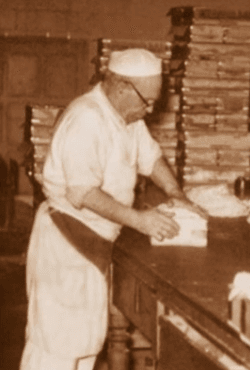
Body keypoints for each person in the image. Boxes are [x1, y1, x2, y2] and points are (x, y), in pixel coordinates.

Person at [21, 49, 205, 370]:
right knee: (55, 350)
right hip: (65, 244)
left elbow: (151, 158)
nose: (149, 110)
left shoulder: (126, 116)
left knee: (85, 344)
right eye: (146, 101)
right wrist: (139, 220)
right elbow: (83, 193)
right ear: (121, 87)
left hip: (93, 244)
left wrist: (177, 194)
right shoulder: (87, 118)